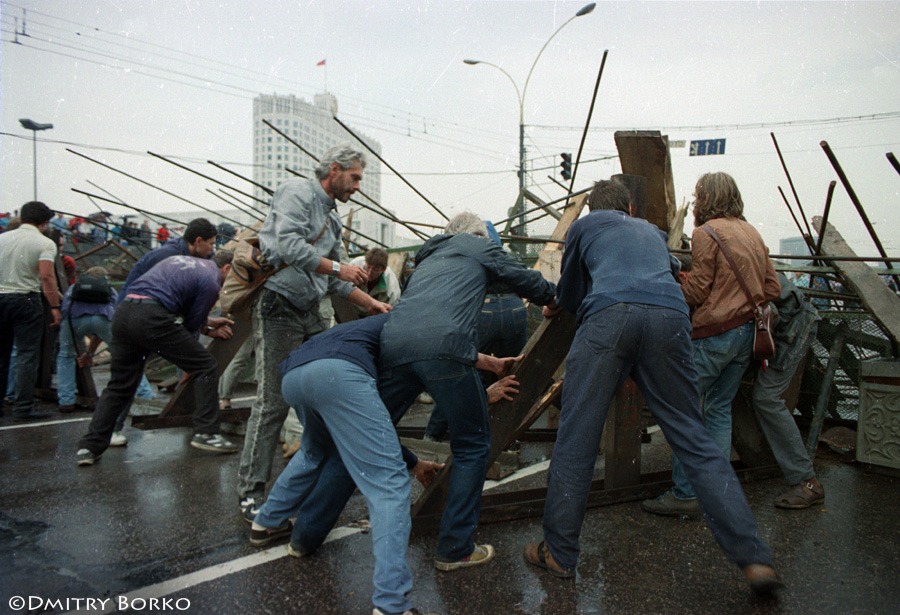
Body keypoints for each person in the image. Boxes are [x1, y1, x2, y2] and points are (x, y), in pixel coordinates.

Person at [522, 179, 781, 594]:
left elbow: (569, 295)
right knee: (694, 438)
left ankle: (559, 553)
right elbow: (675, 272)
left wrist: (557, 301)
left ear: (593, 209)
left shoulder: (585, 229)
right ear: (630, 206)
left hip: (609, 318)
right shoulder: (652, 233)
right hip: (670, 319)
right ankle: (754, 560)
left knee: (577, 438)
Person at [376, 212, 556, 571]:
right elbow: (522, 278)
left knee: (371, 428)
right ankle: (455, 548)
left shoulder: (426, 259)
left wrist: (487, 365)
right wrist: (553, 297)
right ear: (477, 235)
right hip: (447, 349)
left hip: (393, 345)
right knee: (474, 444)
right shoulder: (477, 244)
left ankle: (305, 533)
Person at [236, 144, 391, 522]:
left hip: (310, 311)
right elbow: (287, 246)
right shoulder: (298, 193)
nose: (357, 186)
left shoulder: (333, 218)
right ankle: (250, 494)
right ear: (334, 170)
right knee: (273, 402)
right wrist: (338, 270)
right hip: (279, 306)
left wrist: (372, 305)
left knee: (327, 392)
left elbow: (336, 279)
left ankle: (317, 482)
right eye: (354, 178)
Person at [247, 314, 440, 615]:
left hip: (295, 375)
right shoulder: (412, 322)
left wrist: (414, 462)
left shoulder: (373, 323)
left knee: (313, 452)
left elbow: (364, 437)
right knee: (388, 482)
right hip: (338, 373)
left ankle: (265, 523)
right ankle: (391, 604)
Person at [642, 172, 780, 517]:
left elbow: (698, 291)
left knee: (682, 412)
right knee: (718, 411)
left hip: (714, 336)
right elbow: (772, 287)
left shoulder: (706, 233)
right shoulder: (751, 231)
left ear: (706, 199)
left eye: (698, 196)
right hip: (747, 335)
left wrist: (670, 287)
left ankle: (686, 494)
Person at [75, 251, 239, 466]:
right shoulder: (212, 280)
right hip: (151, 318)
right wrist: (188, 360)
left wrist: (208, 326)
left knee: (119, 385)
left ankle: (89, 447)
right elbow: (190, 325)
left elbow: (172, 303)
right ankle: (207, 432)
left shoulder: (181, 262)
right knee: (205, 365)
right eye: (233, 273)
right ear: (226, 268)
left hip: (124, 314)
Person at [753, 272, 825, 508]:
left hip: (792, 327)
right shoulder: (742, 249)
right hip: (785, 323)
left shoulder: (734, 260)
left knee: (767, 398)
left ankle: (807, 481)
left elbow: (785, 299)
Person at [0, 201, 62, 421]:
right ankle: (23, 408)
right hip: (26, 298)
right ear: (44, 223)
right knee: (27, 354)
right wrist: (54, 305)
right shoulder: (44, 243)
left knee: (2, 354)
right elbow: (46, 276)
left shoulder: (2, 238)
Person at [348, 247, 401, 317]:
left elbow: (393, 309)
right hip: (351, 311)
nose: (369, 273)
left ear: (383, 269)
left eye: (375, 270)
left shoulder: (391, 285)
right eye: (368, 267)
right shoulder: (354, 265)